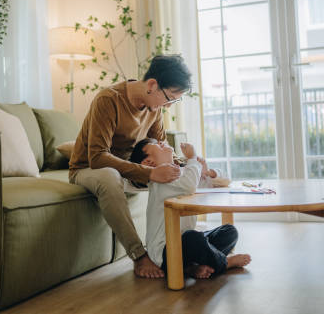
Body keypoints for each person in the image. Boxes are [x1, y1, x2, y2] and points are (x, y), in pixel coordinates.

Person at [69, 54, 191, 278]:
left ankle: (186, 249)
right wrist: (150, 172)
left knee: (175, 174)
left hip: (127, 171)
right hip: (89, 169)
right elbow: (97, 157)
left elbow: (162, 147)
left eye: (175, 101)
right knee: (109, 176)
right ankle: (139, 255)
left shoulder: (154, 110)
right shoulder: (109, 100)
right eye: (170, 98)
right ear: (153, 85)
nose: (169, 106)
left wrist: (189, 166)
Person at [129, 139, 251, 279]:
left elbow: (225, 181)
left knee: (229, 231)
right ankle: (224, 263)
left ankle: (192, 267)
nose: (162, 142)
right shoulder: (159, 181)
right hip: (165, 252)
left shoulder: (182, 174)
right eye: (157, 145)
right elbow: (190, 185)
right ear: (149, 163)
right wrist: (192, 158)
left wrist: (208, 172)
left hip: (184, 245)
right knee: (193, 238)